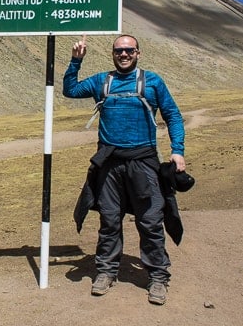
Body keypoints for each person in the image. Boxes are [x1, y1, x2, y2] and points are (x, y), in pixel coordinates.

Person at [62, 34, 186, 306]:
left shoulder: (152, 81)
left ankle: (157, 276)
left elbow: (173, 115)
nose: (124, 54)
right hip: (109, 163)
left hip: (143, 162)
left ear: (138, 53)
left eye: (129, 50)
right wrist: (75, 60)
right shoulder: (101, 82)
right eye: (119, 50)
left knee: (150, 221)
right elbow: (69, 90)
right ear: (113, 54)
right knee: (109, 219)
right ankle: (106, 271)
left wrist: (178, 150)